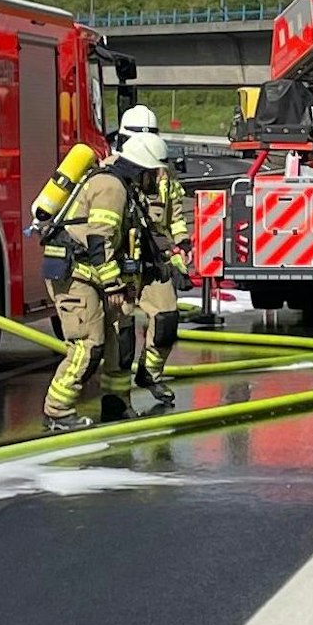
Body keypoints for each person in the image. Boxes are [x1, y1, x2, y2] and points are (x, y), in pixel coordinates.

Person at [39, 132, 168, 430]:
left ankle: (116, 404)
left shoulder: (126, 188)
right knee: (89, 343)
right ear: (141, 168)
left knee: (120, 342)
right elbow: (99, 239)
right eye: (154, 172)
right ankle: (57, 411)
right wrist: (112, 285)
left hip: (97, 273)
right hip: (77, 274)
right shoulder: (110, 187)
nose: (157, 179)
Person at [114, 105, 190, 406]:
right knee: (121, 334)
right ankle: (117, 396)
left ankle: (151, 373)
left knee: (167, 319)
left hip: (153, 260)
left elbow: (174, 217)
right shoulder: (111, 174)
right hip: (121, 265)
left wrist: (181, 246)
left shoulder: (163, 176)